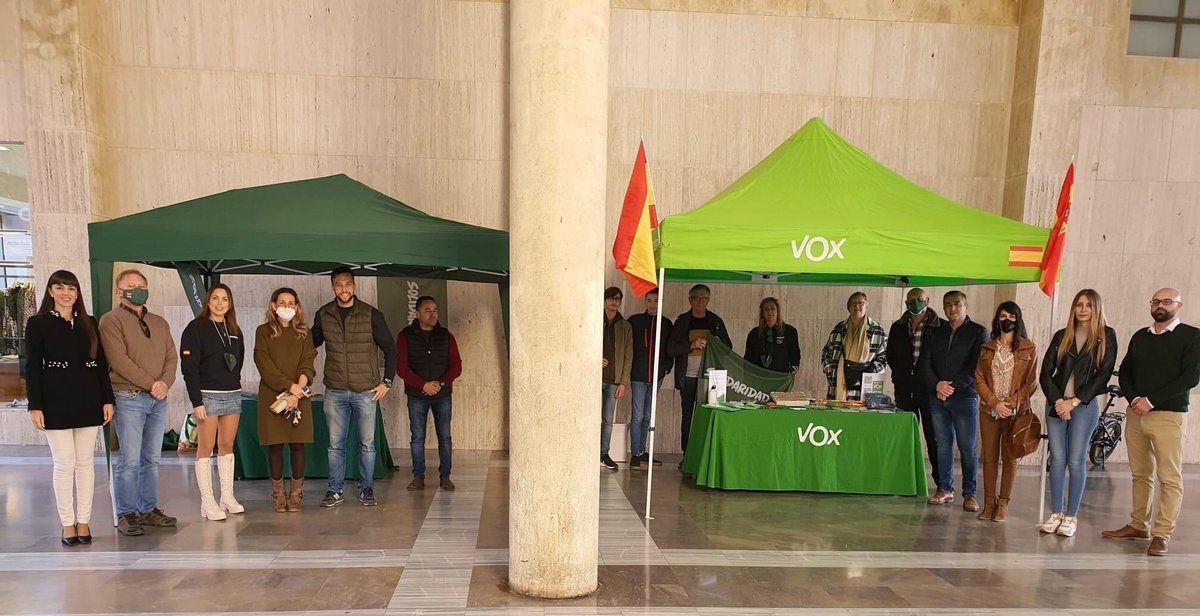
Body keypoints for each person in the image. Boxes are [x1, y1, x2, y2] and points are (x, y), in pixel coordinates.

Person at [1104, 288, 1200, 556]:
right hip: (1136, 413)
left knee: (1169, 477)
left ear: (1179, 305)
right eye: (1156, 301)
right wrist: (1135, 399)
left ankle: (1162, 534)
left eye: (1167, 301)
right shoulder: (1140, 336)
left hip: (1168, 415)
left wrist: (1151, 401)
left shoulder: (1192, 336)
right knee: (1140, 473)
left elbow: (1190, 378)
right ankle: (1139, 525)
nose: (1160, 305)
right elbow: (1125, 372)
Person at [26, 270, 114, 546]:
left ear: (78, 293)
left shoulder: (89, 322)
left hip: (88, 398)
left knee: (85, 463)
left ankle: (84, 521)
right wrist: (35, 405)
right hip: (55, 401)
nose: (66, 293)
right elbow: (32, 367)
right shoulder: (38, 323)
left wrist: (107, 399)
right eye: (60, 287)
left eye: (71, 288)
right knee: (64, 463)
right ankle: (67, 524)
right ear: (50, 291)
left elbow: (100, 364)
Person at [99, 269, 179, 536]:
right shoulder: (111, 321)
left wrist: (164, 383)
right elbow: (119, 360)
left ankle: (148, 508)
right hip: (128, 396)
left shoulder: (159, 322)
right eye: (131, 285)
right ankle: (126, 513)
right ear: (118, 291)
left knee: (151, 458)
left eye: (142, 286)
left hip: (158, 399)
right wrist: (151, 383)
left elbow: (171, 357)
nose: (137, 289)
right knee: (130, 459)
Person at [312, 266, 396, 508]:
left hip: (365, 391)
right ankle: (334, 490)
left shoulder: (371, 314)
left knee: (367, 444)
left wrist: (387, 382)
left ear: (354, 285)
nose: (344, 289)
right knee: (335, 445)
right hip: (335, 389)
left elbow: (390, 348)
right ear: (333, 287)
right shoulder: (324, 314)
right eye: (339, 284)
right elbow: (309, 345)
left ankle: (366, 488)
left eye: (348, 284)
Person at [1037, 289, 1118, 538]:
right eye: (1079, 304)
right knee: (1057, 459)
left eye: (1088, 305)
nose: (1083, 309)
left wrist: (1073, 402)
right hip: (1056, 405)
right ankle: (1056, 513)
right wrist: (1058, 401)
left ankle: (1071, 516)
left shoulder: (1106, 336)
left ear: (1096, 308)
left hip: (1083, 406)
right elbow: (1045, 372)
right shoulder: (1062, 336)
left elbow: (1103, 375)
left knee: (1075, 460)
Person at [180, 284, 246, 521]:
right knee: (206, 447)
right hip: (207, 395)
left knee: (227, 445)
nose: (220, 303)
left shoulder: (234, 329)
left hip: (232, 393)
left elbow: (239, 360)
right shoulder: (195, 328)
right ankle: (207, 501)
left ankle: (227, 496)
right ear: (208, 301)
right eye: (215, 298)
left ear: (230, 303)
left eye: (225, 299)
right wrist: (196, 401)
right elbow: (189, 368)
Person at [919, 290, 987, 511]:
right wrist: (937, 385)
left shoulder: (978, 332)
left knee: (967, 447)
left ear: (966, 306)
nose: (952, 308)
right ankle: (944, 489)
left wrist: (951, 387)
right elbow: (925, 362)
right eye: (948, 305)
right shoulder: (935, 331)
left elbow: (976, 366)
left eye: (957, 304)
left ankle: (970, 494)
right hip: (937, 397)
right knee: (942, 446)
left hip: (965, 397)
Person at [253, 288, 318, 513]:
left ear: (297, 307)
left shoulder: (304, 332)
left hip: (299, 396)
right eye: (282, 303)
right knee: (275, 444)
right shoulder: (263, 331)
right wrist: (290, 388)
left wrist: (297, 392)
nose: (287, 307)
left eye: (291, 303)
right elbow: (264, 365)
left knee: (298, 444)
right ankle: (278, 493)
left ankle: (296, 492)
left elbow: (308, 363)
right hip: (273, 395)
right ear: (273, 306)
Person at [974, 301, 1038, 523]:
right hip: (989, 410)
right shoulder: (987, 347)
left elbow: (1031, 383)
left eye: (1011, 316)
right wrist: (994, 402)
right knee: (989, 458)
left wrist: (1009, 403)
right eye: (1003, 316)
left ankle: (1003, 504)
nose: (1007, 320)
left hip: (1015, 412)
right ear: (997, 319)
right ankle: (988, 503)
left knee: (1010, 457)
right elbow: (979, 378)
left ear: (1018, 320)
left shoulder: (1028, 348)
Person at [396, 296, 463, 491]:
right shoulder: (405, 336)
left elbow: (457, 366)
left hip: (443, 395)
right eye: (427, 310)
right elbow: (401, 368)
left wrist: (440, 383)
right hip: (417, 396)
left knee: (445, 438)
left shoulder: (446, 336)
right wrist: (423, 385)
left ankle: (445, 477)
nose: (432, 314)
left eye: (435, 310)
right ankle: (418, 477)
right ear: (417, 313)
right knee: (417, 437)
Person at [886, 287, 944, 488]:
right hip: (904, 389)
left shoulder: (940, 327)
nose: (915, 303)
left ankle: (942, 483)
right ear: (906, 303)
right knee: (905, 437)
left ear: (927, 300)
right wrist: (900, 375)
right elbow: (891, 356)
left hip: (930, 390)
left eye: (919, 299)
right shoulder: (898, 327)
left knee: (934, 438)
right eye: (911, 300)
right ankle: (904, 480)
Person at [666, 284, 732, 456]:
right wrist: (691, 345)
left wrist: (714, 345)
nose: (701, 301)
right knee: (688, 417)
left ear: (709, 300)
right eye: (697, 297)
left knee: (708, 416)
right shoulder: (682, 321)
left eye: (704, 298)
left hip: (711, 379)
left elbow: (728, 348)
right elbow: (671, 349)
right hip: (688, 377)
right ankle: (687, 454)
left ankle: (706, 454)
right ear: (690, 300)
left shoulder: (716, 321)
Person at [627, 288, 672, 468]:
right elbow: (627, 345)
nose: (653, 305)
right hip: (638, 375)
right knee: (637, 415)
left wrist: (666, 368)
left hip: (657, 375)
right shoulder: (635, 321)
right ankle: (635, 454)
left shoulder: (666, 323)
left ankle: (642, 451)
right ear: (645, 302)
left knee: (647, 416)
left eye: (656, 301)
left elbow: (669, 348)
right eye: (649, 301)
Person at [820, 292, 887, 400]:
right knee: (837, 410)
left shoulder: (876, 329)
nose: (857, 306)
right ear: (849, 307)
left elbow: (884, 357)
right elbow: (826, 351)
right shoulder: (839, 328)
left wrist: (872, 371)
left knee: (862, 411)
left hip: (865, 386)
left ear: (866, 306)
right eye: (853, 303)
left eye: (861, 303)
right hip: (838, 383)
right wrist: (829, 368)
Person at [600, 287, 632, 472]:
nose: (614, 302)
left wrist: (624, 382)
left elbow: (629, 355)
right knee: (589, 417)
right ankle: (587, 452)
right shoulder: (595, 320)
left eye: (618, 299)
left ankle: (603, 454)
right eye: (611, 298)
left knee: (608, 420)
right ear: (605, 300)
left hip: (614, 380)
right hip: (594, 378)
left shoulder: (625, 326)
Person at [744, 297, 801, 374]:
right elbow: (748, 359)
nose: (769, 312)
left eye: (772, 308)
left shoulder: (790, 332)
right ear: (762, 314)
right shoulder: (754, 334)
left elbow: (794, 354)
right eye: (766, 309)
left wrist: (793, 370)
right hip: (758, 377)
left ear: (778, 311)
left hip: (781, 376)